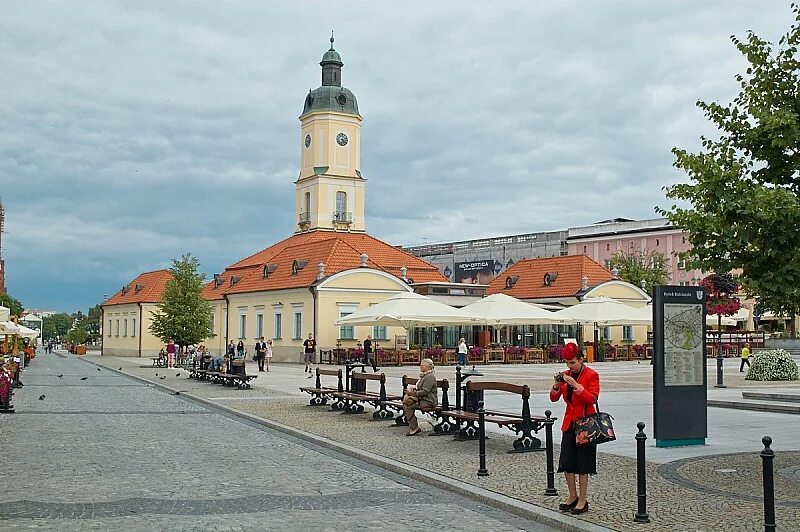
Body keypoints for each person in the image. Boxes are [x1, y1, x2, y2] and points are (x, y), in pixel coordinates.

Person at [550, 342, 600, 515]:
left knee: (583, 464)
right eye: (567, 363)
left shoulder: (591, 375)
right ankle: (572, 495)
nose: (569, 366)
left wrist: (577, 386)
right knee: (567, 462)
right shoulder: (565, 375)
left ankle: (583, 500)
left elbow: (592, 398)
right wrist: (556, 386)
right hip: (569, 423)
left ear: (581, 359)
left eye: (572, 362)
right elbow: (554, 398)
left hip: (585, 425)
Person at [402, 358, 438, 436]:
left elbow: (425, 391)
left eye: (422, 365)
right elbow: (421, 388)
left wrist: (412, 394)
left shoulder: (430, 377)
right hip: (423, 399)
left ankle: (414, 427)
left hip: (429, 401)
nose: (420, 367)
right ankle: (413, 426)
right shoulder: (425, 375)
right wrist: (414, 388)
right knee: (407, 404)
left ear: (427, 367)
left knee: (408, 405)